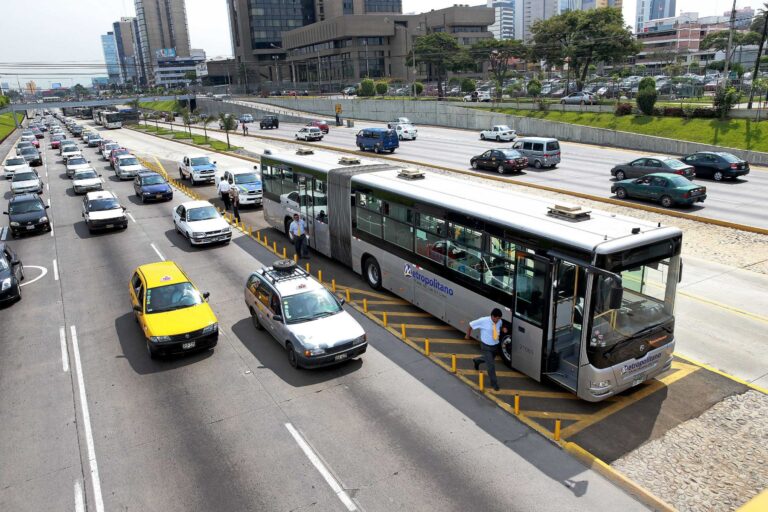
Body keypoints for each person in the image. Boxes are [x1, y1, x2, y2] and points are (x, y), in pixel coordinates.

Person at [465, 308, 507, 391]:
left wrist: (503, 329)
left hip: (495, 345)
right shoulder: (483, 320)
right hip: (486, 346)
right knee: (490, 365)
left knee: (488, 359)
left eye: (499, 318)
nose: (498, 320)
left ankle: (477, 361)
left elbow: (500, 327)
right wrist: (467, 335)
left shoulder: (499, 321)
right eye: (497, 318)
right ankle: (494, 383)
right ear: (492, 316)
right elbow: (470, 325)